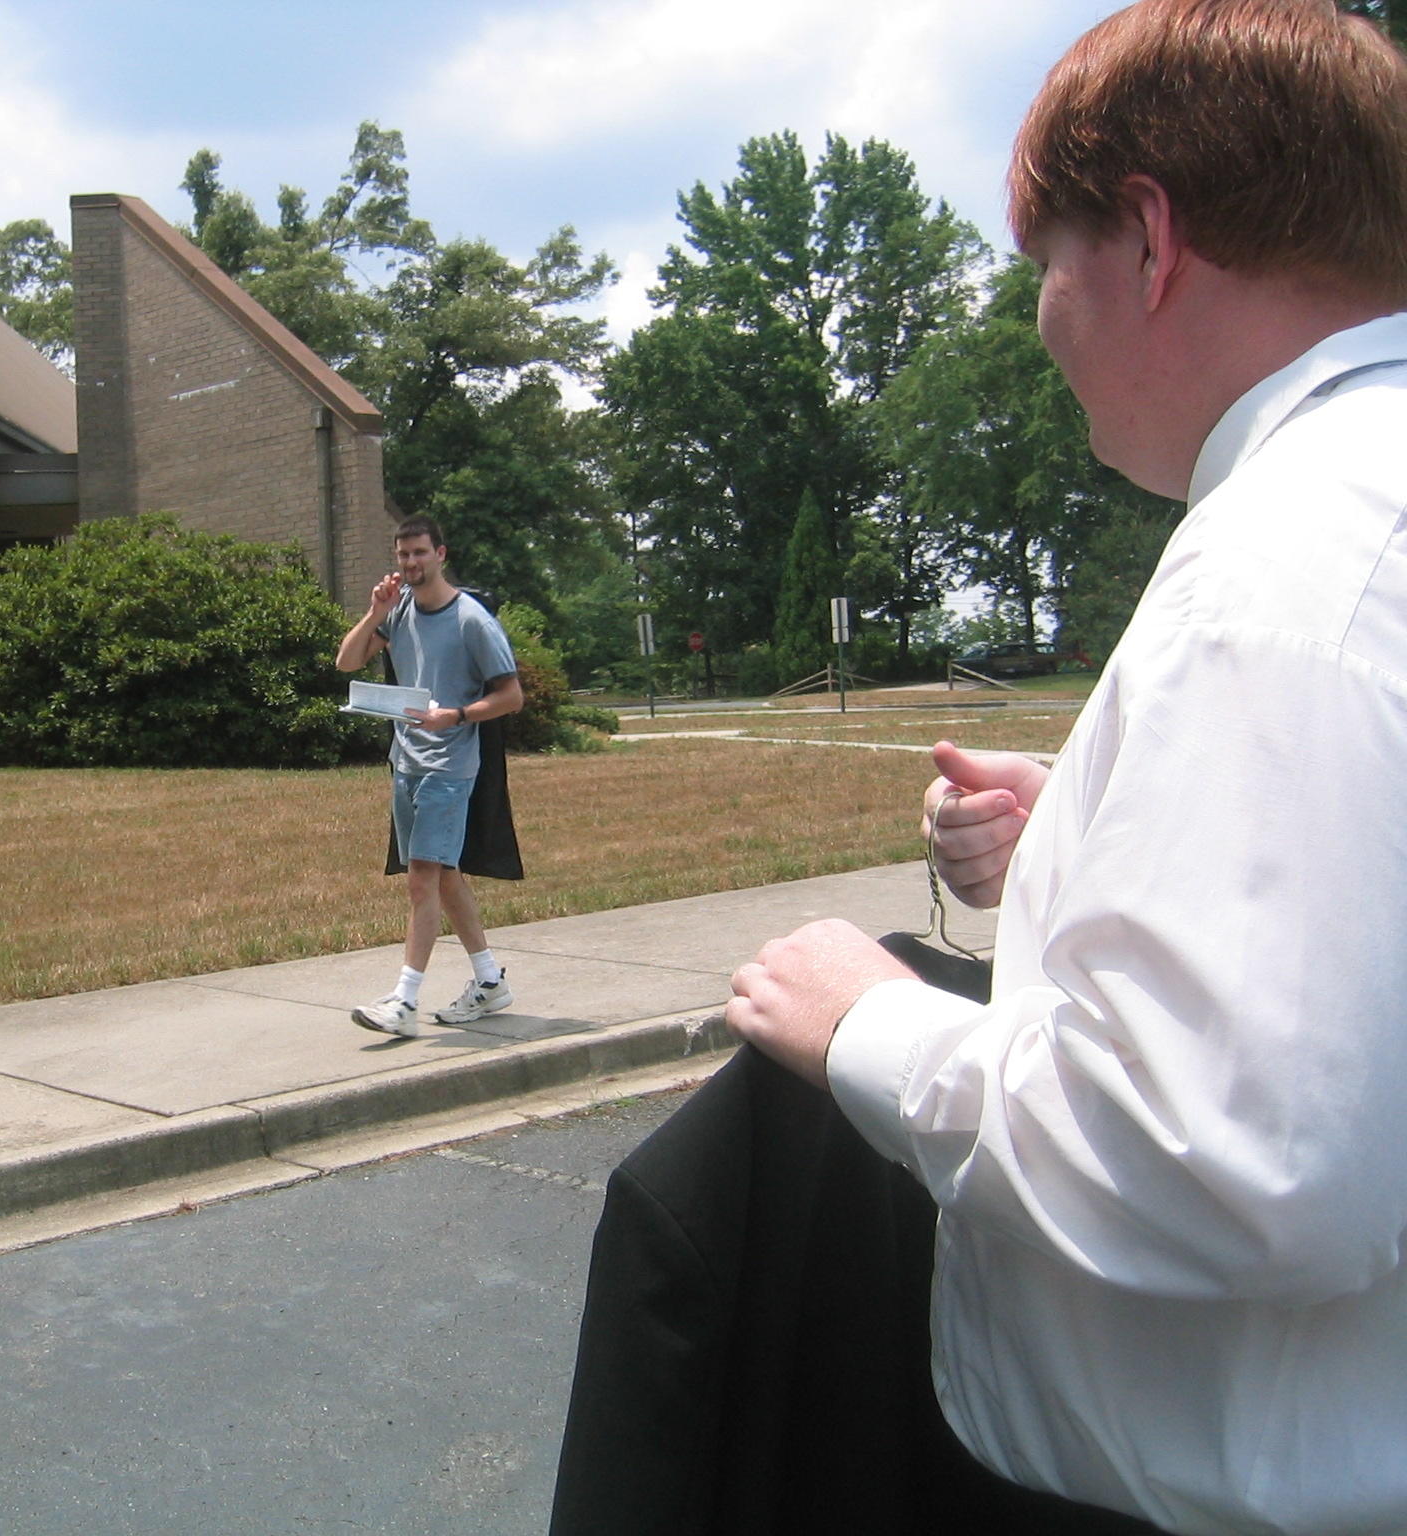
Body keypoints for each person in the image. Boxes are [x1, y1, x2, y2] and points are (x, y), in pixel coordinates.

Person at [551, 3, 1407, 1532]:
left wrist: (869, 1021)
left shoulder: (1279, 576)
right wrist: (1094, 818)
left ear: (1149, 241)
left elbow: (1232, 1160)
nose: (1042, 319)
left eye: (1043, 266)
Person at [335, 515, 524, 1037]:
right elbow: (347, 662)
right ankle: (490, 981)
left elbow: (511, 696)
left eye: (420, 552)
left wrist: (456, 716)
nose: (411, 562)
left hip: (449, 767)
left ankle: (403, 1001)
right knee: (443, 874)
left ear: (441, 554)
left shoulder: (471, 620)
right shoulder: (398, 612)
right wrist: (375, 612)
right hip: (406, 762)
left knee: (421, 878)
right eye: (404, 555)